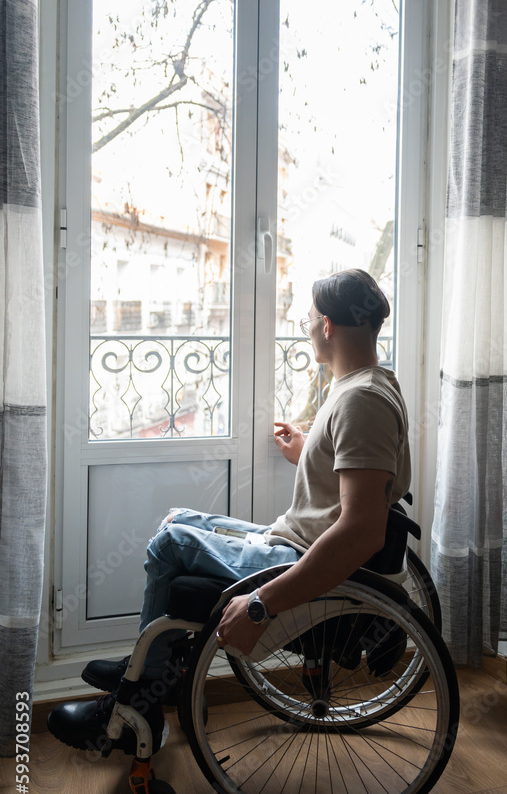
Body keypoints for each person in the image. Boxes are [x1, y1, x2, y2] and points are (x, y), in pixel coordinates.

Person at [48, 268, 411, 754]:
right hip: (294, 540)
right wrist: (308, 449)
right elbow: (354, 476)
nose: (306, 329)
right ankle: (157, 667)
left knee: (169, 543)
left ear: (326, 325)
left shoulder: (361, 401)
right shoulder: (366, 384)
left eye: (307, 320)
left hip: (299, 557)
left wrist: (262, 603)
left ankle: (139, 698)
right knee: (178, 519)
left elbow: (362, 530)